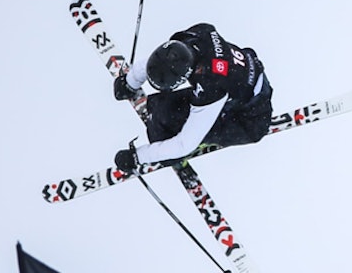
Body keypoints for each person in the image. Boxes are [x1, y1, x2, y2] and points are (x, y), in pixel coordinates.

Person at [112, 23, 273, 173]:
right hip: (240, 81)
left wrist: (138, 157)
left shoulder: (213, 87)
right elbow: (161, 58)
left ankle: (177, 159)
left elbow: (183, 144)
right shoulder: (192, 37)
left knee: (165, 123)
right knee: (160, 106)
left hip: (250, 120)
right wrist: (130, 82)